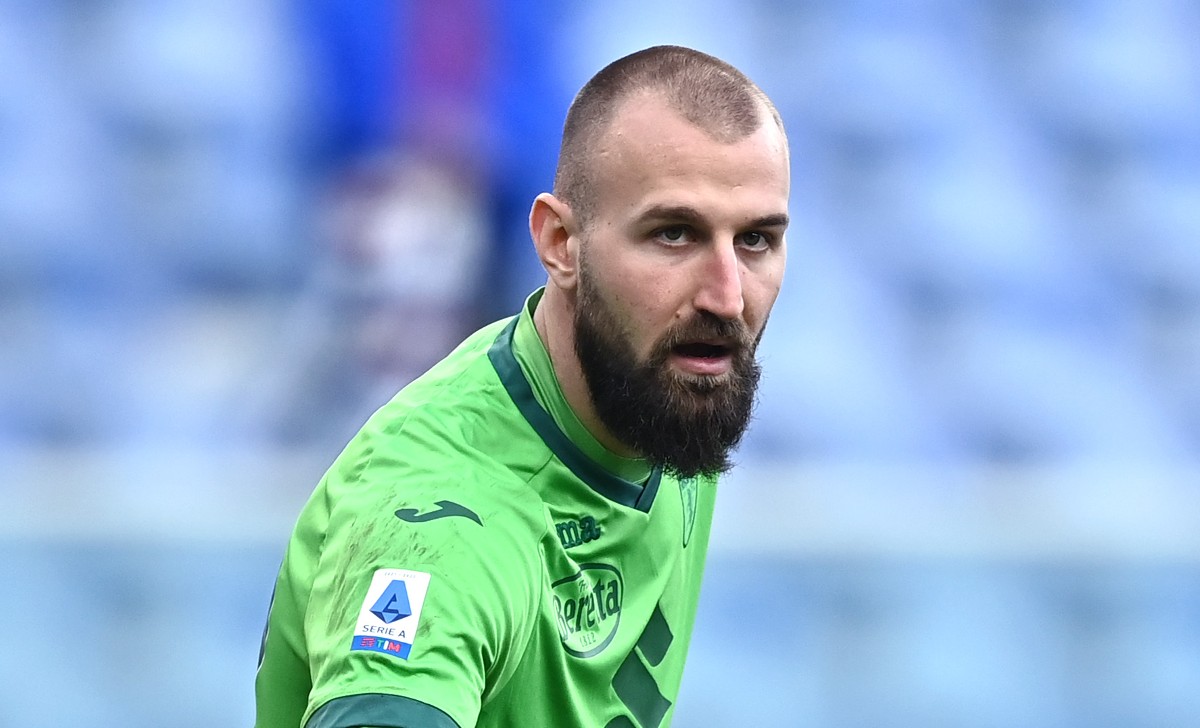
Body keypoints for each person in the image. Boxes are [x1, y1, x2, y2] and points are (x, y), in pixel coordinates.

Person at [254, 44, 790, 728]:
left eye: (756, 241)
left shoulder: (666, 392)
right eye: (674, 235)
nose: (727, 296)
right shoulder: (443, 530)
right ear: (560, 243)